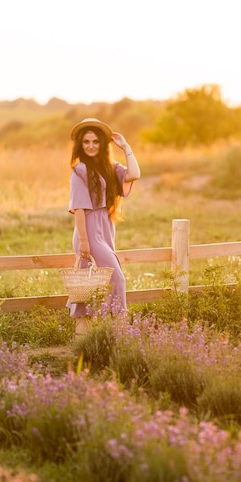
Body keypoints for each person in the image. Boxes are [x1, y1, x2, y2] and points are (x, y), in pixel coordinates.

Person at [67, 117, 141, 335]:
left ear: (102, 144)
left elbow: (134, 174)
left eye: (95, 141)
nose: (90, 146)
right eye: (86, 142)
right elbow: (79, 208)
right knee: (115, 277)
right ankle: (119, 327)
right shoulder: (79, 170)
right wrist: (84, 241)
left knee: (89, 282)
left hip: (106, 227)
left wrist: (125, 146)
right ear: (81, 145)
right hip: (88, 228)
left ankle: (86, 336)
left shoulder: (111, 167)